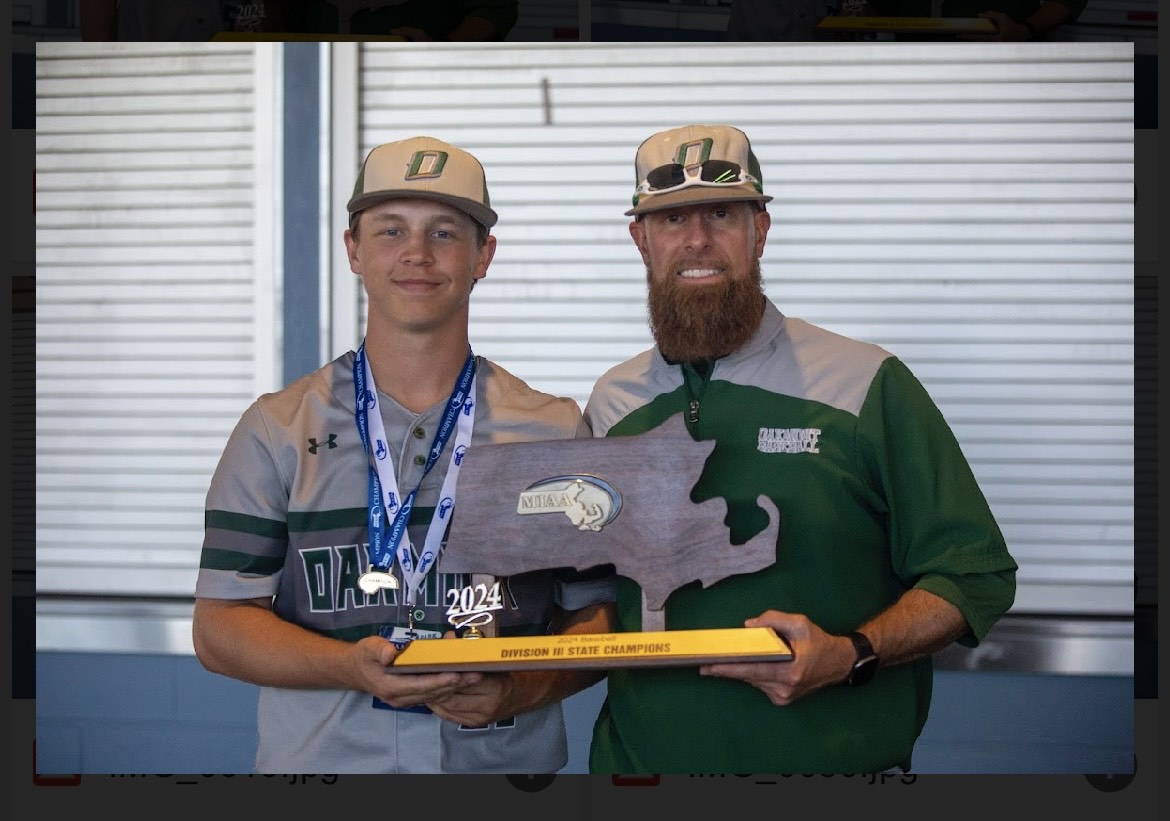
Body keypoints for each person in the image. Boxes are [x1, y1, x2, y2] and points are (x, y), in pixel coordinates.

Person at [584, 124, 1018, 774]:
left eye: (722, 214)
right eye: (671, 218)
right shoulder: (610, 404)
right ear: (641, 239)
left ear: (760, 228)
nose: (697, 240)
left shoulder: (868, 383)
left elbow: (973, 575)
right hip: (637, 775)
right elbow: (579, 595)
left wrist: (852, 652)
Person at [192, 135, 613, 774]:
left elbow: (600, 618)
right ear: (353, 250)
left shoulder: (553, 430)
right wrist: (349, 667)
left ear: (484, 255)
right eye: (391, 231)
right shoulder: (275, 428)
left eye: (445, 232)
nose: (417, 254)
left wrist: (524, 687)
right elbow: (220, 628)